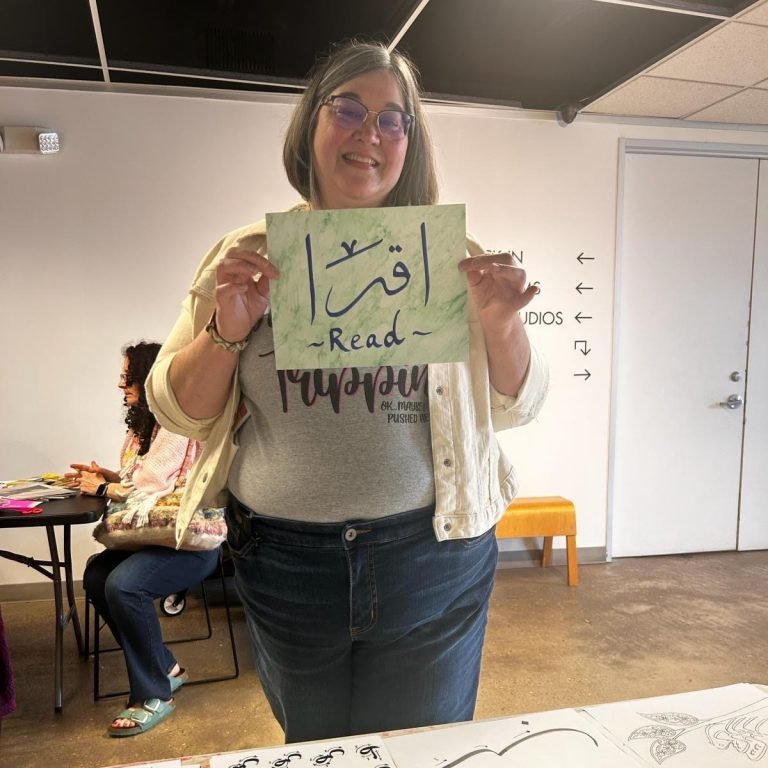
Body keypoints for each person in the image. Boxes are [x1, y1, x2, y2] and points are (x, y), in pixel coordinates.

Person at [146, 41, 548, 743]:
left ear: (409, 142)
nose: (371, 133)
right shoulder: (248, 255)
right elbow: (177, 409)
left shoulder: (452, 258)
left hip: (432, 555)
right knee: (316, 749)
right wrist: (227, 328)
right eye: (349, 110)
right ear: (312, 123)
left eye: (393, 119)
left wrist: (502, 325)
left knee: (423, 751)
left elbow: (520, 406)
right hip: (285, 562)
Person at [71, 342, 219, 737]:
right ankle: (165, 668)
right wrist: (107, 476)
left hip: (189, 541)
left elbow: (149, 484)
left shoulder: (174, 424)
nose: (122, 385)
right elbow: (142, 482)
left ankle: (154, 694)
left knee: (124, 585)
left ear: (149, 378)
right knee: (97, 576)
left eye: (128, 377)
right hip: (158, 537)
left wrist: (104, 488)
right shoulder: (146, 427)